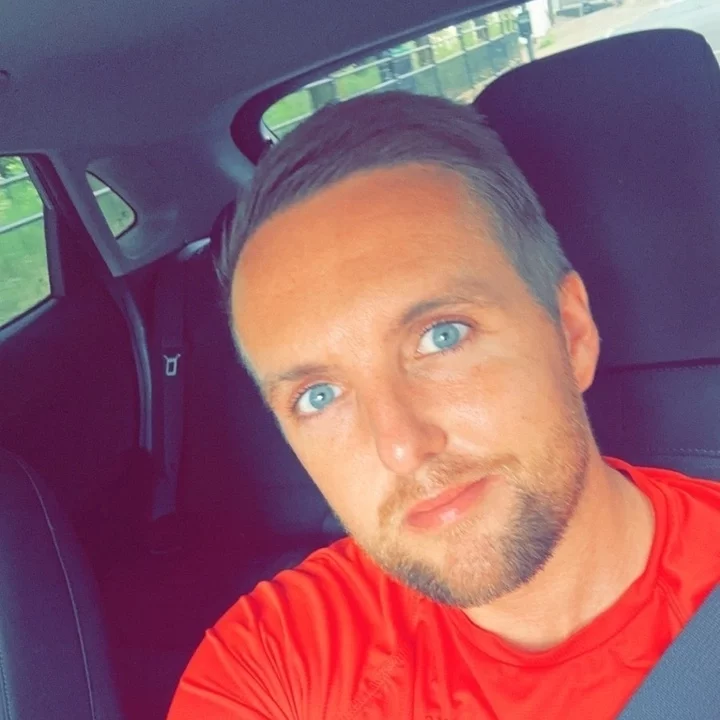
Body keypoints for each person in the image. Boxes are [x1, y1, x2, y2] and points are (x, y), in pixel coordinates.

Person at [167, 92, 720, 719]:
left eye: (442, 336)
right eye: (319, 396)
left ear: (570, 333)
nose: (401, 446)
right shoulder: (273, 664)